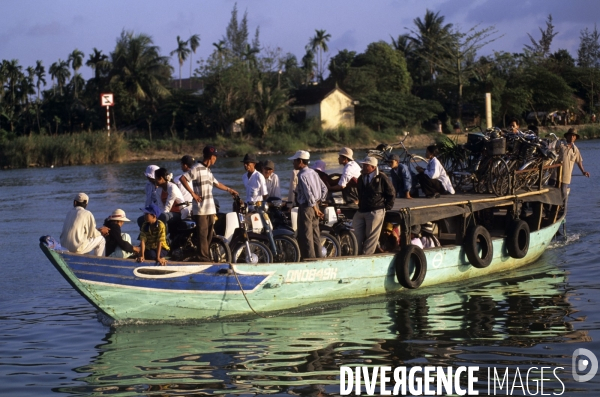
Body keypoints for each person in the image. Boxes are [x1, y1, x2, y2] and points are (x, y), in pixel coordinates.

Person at [180, 146, 239, 262]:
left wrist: (229, 190)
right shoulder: (197, 168)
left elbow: (217, 184)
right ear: (211, 157)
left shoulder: (208, 170)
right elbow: (183, 178)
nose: (215, 159)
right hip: (201, 209)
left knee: (209, 234)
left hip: (210, 208)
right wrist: (193, 194)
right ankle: (203, 257)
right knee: (202, 233)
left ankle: (204, 255)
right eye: (215, 157)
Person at [289, 150, 328, 259]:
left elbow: (308, 194)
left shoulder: (302, 175)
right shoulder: (313, 172)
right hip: (316, 206)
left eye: (295, 161)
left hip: (307, 207)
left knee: (306, 236)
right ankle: (319, 258)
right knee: (316, 235)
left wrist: (315, 207)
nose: (293, 163)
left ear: (300, 161)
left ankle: (310, 260)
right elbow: (324, 189)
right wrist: (319, 202)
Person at [353, 157, 395, 255]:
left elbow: (391, 192)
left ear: (373, 167)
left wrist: (386, 207)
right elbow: (360, 192)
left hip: (375, 209)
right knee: (355, 233)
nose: (363, 167)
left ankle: (366, 256)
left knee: (371, 236)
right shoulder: (361, 178)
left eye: (366, 165)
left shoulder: (381, 177)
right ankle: (356, 253)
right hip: (362, 209)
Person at [557, 129, 590, 213]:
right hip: (555, 174)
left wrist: (583, 171)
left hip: (566, 175)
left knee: (563, 193)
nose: (571, 137)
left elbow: (579, 161)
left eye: (573, 136)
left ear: (575, 138)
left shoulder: (575, 150)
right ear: (567, 136)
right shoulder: (560, 145)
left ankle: (562, 210)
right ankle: (549, 209)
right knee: (552, 191)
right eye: (570, 135)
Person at [138, 165, 160, 229]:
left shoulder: (161, 186)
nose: (148, 178)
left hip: (157, 212)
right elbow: (148, 199)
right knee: (141, 220)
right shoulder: (148, 185)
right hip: (149, 210)